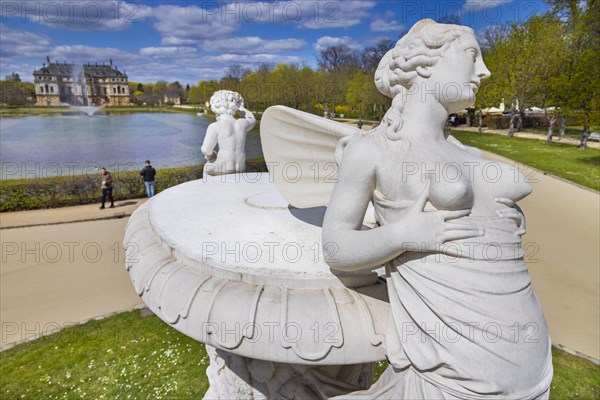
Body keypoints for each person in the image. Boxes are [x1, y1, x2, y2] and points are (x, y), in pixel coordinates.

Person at [321, 19, 552, 399]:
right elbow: (335, 246)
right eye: (472, 56)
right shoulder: (374, 150)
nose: (484, 71)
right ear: (425, 64)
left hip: (532, 365)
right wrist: (401, 235)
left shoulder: (464, 151)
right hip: (456, 373)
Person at [201, 90, 256, 176]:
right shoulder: (242, 123)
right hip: (240, 166)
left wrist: (211, 156)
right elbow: (252, 119)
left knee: (206, 168)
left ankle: (208, 188)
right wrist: (240, 108)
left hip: (223, 167)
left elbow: (206, 149)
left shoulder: (215, 126)